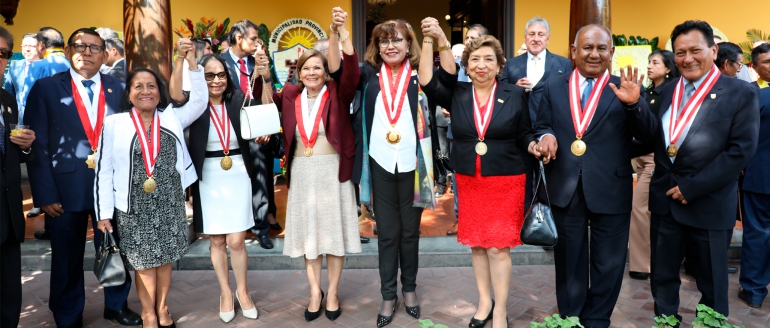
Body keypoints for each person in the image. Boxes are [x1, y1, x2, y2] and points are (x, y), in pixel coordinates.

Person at [625, 20, 760, 321]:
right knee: (662, 281)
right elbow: (652, 138)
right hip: (665, 204)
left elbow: (740, 151)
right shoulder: (669, 89)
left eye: (695, 50)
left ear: (713, 50)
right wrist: (635, 107)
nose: (687, 59)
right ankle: (665, 323)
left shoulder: (740, 93)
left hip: (708, 204)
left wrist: (693, 186)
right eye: (680, 52)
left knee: (711, 284)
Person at [420, 19, 538, 327]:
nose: (481, 65)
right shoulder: (458, 94)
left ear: (500, 65)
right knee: (477, 245)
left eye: (489, 59)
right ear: (466, 66)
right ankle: (484, 303)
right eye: (475, 60)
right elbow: (427, 80)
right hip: (470, 180)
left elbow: (524, 133)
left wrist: (534, 145)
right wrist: (432, 39)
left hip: (506, 179)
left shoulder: (514, 94)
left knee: (498, 247)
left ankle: (500, 310)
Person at [533, 24, 648, 327]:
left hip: (611, 185)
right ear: (573, 51)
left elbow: (648, 136)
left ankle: (597, 320)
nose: (594, 54)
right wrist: (545, 135)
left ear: (611, 52)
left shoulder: (625, 87)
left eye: (601, 48)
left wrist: (634, 105)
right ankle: (570, 318)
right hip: (565, 186)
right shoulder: (553, 86)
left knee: (608, 262)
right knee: (569, 260)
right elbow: (541, 124)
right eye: (587, 47)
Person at [25, 28, 140, 328]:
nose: (87, 52)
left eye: (94, 47)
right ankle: (67, 313)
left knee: (115, 246)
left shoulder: (119, 87)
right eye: (80, 46)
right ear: (66, 51)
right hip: (64, 189)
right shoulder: (46, 88)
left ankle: (116, 305)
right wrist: (45, 194)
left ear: (105, 54)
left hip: (113, 188)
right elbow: (39, 144)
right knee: (66, 256)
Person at [94, 38, 207, 328]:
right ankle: (148, 313)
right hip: (132, 206)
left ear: (160, 93)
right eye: (138, 86)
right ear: (129, 94)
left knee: (165, 258)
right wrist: (103, 214)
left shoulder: (171, 118)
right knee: (143, 263)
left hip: (169, 202)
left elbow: (199, 101)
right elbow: (103, 171)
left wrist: (191, 60)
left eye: (152, 85)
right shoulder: (115, 124)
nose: (146, 90)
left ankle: (163, 307)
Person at [263, 8, 362, 322]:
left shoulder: (337, 93)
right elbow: (264, 101)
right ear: (299, 71)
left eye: (318, 68)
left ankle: (332, 291)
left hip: (333, 172)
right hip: (303, 173)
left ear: (325, 72)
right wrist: (263, 73)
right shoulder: (290, 95)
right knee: (310, 237)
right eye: (307, 68)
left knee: (333, 236)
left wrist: (339, 33)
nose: (312, 73)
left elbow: (351, 72)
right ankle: (315, 292)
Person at [354, 19, 434, 327]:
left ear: (408, 44)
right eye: (385, 41)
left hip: (414, 165)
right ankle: (389, 294)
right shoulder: (367, 75)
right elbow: (341, 71)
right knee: (387, 233)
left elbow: (446, 83)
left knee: (410, 232)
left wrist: (434, 38)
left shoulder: (419, 77)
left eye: (397, 40)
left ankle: (409, 290)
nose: (391, 46)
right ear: (377, 46)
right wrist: (341, 34)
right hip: (380, 163)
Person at [186, 54, 258, 322]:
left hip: (238, 171)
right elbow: (172, 94)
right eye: (209, 75)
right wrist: (186, 60)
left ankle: (243, 291)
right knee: (217, 239)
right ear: (200, 78)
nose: (216, 80)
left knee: (237, 240)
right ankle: (225, 293)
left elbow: (260, 115)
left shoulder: (238, 100)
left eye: (221, 75)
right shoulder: (194, 105)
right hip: (208, 175)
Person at [501, 17, 572, 213]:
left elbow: (569, 97)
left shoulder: (563, 64)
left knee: (550, 180)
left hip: (551, 131)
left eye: (540, 35)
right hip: (519, 132)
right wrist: (514, 89)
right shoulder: (512, 65)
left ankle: (547, 228)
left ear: (548, 39)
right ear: (525, 38)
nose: (536, 38)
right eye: (531, 34)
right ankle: (523, 225)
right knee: (521, 181)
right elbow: (501, 94)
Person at [222, 20, 281, 249]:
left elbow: (269, 91)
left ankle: (261, 228)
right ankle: (237, 224)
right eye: (254, 38)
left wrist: (264, 69)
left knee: (261, 177)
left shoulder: (259, 60)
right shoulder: (219, 62)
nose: (259, 43)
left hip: (257, 129)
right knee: (238, 179)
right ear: (239, 39)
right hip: (229, 129)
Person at [628, 50, 679, 281]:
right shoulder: (645, 92)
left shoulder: (669, 93)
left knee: (639, 208)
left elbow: (656, 132)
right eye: (648, 62)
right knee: (645, 210)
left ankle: (642, 265)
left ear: (668, 68)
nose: (649, 66)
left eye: (655, 62)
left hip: (653, 159)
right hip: (638, 158)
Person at [0, 26, 36, 328]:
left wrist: (26, 147)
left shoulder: (7, 99)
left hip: (9, 214)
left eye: (2, 54)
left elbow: (10, 151)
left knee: (10, 292)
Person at [22, 27, 70, 225]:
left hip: (43, 131)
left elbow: (27, 99)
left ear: (41, 46)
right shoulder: (73, 64)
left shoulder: (37, 67)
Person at [446, 24, 489, 236]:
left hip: (486, 133)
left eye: (474, 38)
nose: (469, 41)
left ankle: (481, 217)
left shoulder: (492, 64)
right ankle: (460, 218)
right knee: (458, 176)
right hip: (460, 132)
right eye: (468, 37)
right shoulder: (455, 65)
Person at [738, 87, 770, 308]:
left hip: (761, 174)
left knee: (757, 233)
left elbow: (744, 135)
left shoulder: (761, 96)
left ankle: (754, 291)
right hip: (760, 175)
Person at [5, 33, 40, 123]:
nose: (27, 49)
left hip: (41, 116)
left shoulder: (46, 66)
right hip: (20, 118)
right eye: (24, 46)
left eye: (31, 46)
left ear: (40, 47)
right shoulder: (15, 66)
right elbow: (9, 93)